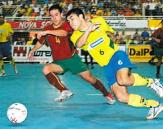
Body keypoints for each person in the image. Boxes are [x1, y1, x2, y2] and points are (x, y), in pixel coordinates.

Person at [66, 8, 163, 120]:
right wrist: (89, 30)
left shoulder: (99, 21)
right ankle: (154, 105)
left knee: (123, 80)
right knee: (121, 97)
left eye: (72, 18)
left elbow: (110, 33)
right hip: (106, 66)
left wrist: (111, 37)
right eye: (68, 21)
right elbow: (79, 44)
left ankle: (152, 82)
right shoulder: (75, 36)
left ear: (81, 16)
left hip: (116, 55)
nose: (70, 23)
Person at [28, 4, 115, 104]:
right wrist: (33, 50)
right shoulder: (47, 28)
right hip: (58, 62)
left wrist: (47, 31)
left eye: (56, 15)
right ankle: (64, 90)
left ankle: (106, 94)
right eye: (51, 16)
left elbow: (63, 33)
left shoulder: (68, 24)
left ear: (61, 14)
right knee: (46, 69)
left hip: (72, 59)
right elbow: (41, 42)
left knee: (91, 79)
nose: (54, 18)